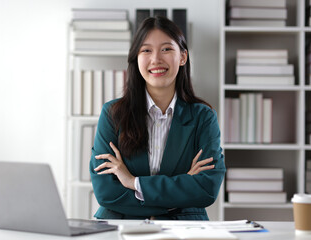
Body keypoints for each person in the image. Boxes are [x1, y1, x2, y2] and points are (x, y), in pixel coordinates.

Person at [89, 16, 225, 220]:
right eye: (146, 50)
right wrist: (176, 196)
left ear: (183, 57)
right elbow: (106, 192)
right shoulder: (113, 114)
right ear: (136, 58)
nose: (156, 59)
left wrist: (133, 182)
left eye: (166, 49)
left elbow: (206, 188)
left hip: (183, 226)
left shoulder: (203, 117)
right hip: (122, 225)